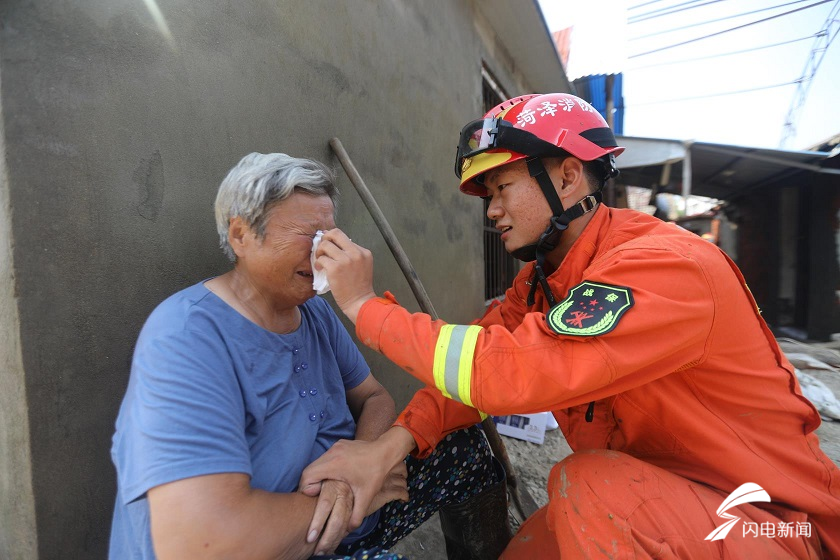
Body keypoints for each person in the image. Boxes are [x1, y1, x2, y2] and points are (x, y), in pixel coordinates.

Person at [305, 93, 840, 558]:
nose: (491, 212)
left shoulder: (666, 266)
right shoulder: (548, 278)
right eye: (487, 196)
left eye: (502, 187)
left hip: (770, 522)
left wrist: (364, 306)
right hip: (672, 498)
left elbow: (507, 372)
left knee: (589, 487)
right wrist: (388, 447)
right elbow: (469, 372)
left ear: (566, 175)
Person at [108, 152, 508, 560]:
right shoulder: (187, 337)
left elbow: (374, 398)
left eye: (330, 237)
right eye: (307, 235)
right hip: (274, 548)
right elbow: (205, 542)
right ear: (241, 235)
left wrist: (364, 463)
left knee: (463, 447)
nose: (323, 254)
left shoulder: (312, 309)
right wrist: (350, 496)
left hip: (350, 517)